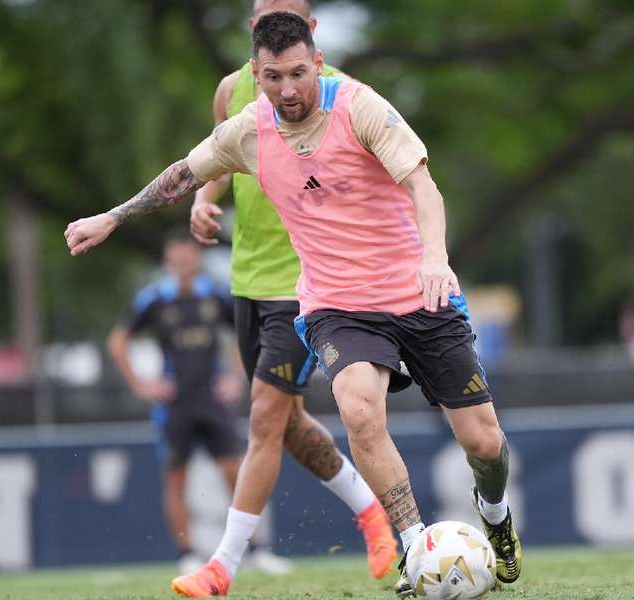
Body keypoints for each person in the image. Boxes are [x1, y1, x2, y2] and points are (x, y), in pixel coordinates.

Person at [64, 11, 522, 599]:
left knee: (483, 441)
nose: (287, 89)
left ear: (319, 64)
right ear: (256, 73)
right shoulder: (246, 130)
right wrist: (113, 216)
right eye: (274, 77)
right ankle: (412, 546)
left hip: (417, 289)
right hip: (335, 303)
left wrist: (435, 257)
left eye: (298, 74)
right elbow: (182, 175)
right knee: (358, 409)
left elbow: (423, 188)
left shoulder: (361, 107)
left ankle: (494, 510)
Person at [180, 0, 398, 592]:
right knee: (291, 427)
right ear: (252, 31)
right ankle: (371, 512)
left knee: (263, 418)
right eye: (261, 17)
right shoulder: (232, 91)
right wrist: (205, 199)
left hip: (303, 287)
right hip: (246, 280)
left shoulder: (348, 99)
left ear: (312, 33)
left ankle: (221, 565)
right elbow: (222, 153)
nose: (270, 24)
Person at [107, 229, 290, 575]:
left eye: (189, 257)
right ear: (168, 261)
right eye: (177, 258)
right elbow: (118, 341)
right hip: (174, 404)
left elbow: (244, 333)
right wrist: (141, 385)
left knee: (236, 473)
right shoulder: (155, 299)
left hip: (212, 400)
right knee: (176, 478)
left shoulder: (216, 295)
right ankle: (186, 553)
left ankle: (259, 549)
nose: (183, 263)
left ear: (197, 258)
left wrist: (235, 375)